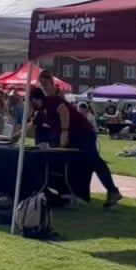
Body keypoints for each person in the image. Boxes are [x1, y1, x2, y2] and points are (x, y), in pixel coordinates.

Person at [37, 70, 122, 207]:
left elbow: (63, 112)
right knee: (76, 162)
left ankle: (112, 190)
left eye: (45, 83)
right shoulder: (47, 99)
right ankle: (72, 192)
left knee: (93, 160)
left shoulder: (57, 96)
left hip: (81, 132)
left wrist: (64, 132)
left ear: (51, 82)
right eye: (41, 84)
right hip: (74, 133)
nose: (43, 86)